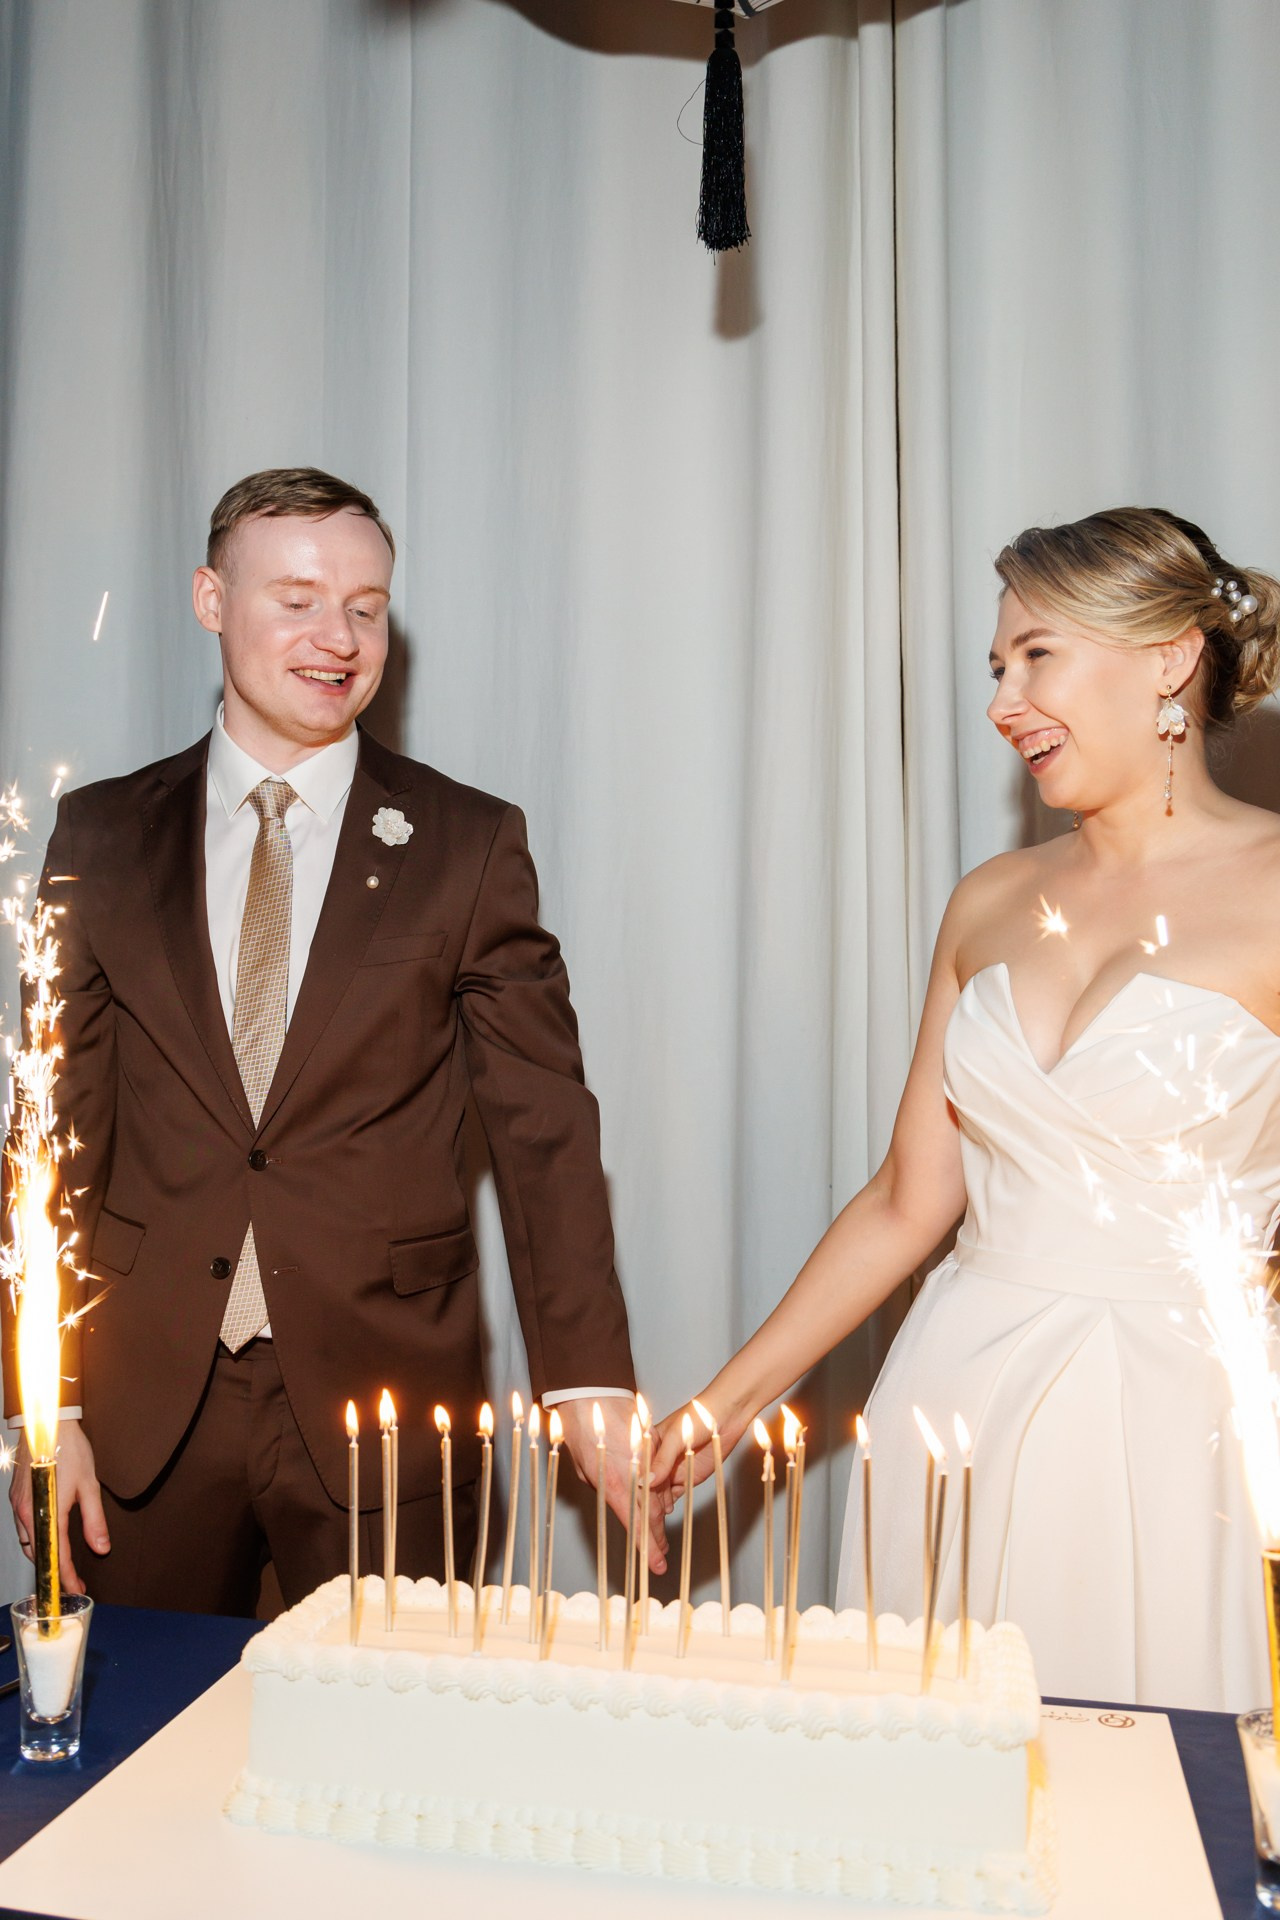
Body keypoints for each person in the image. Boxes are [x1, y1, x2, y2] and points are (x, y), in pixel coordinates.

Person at [4, 467, 665, 1612]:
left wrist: (587, 1379)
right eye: (298, 598)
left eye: (365, 607)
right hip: (137, 1410)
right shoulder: (101, 833)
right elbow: (50, 1135)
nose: (337, 637)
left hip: (388, 1413)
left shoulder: (466, 843)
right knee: (130, 1754)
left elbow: (543, 1126)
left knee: (384, 1766)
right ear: (212, 598)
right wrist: (39, 1395)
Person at [653, 508, 1280, 1711]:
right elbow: (906, 1201)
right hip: (952, 1399)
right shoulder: (989, 898)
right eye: (996, 668)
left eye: (1035, 654)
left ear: (1166, 659)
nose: (1001, 701)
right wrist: (716, 1416)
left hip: (1177, 1423)